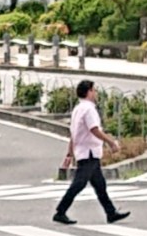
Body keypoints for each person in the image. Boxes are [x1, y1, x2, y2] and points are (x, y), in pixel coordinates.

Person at [53, 77, 129, 225]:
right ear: (88, 92)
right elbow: (93, 129)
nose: (96, 93)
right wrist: (110, 142)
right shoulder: (89, 109)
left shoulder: (77, 109)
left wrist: (70, 153)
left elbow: (74, 133)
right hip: (89, 152)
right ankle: (60, 211)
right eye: (94, 90)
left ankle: (111, 213)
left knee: (100, 185)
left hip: (85, 151)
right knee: (79, 184)